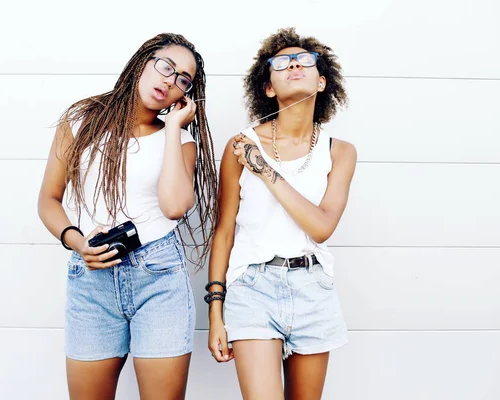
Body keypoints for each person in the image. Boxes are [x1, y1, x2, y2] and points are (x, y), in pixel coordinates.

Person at [38, 33, 218, 400]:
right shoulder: (80, 121)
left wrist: (173, 129)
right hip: (91, 278)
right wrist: (78, 242)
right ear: (143, 62)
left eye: (183, 79)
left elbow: (174, 206)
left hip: (159, 278)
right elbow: (48, 200)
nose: (170, 80)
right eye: (166, 67)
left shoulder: (181, 142)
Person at [207, 27, 356, 400]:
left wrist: (265, 171)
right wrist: (215, 313)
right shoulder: (241, 147)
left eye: (305, 61)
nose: (294, 65)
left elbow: (321, 227)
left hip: (313, 286)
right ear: (269, 87)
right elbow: (224, 231)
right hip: (252, 287)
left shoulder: (340, 152)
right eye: (282, 62)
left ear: (322, 82)